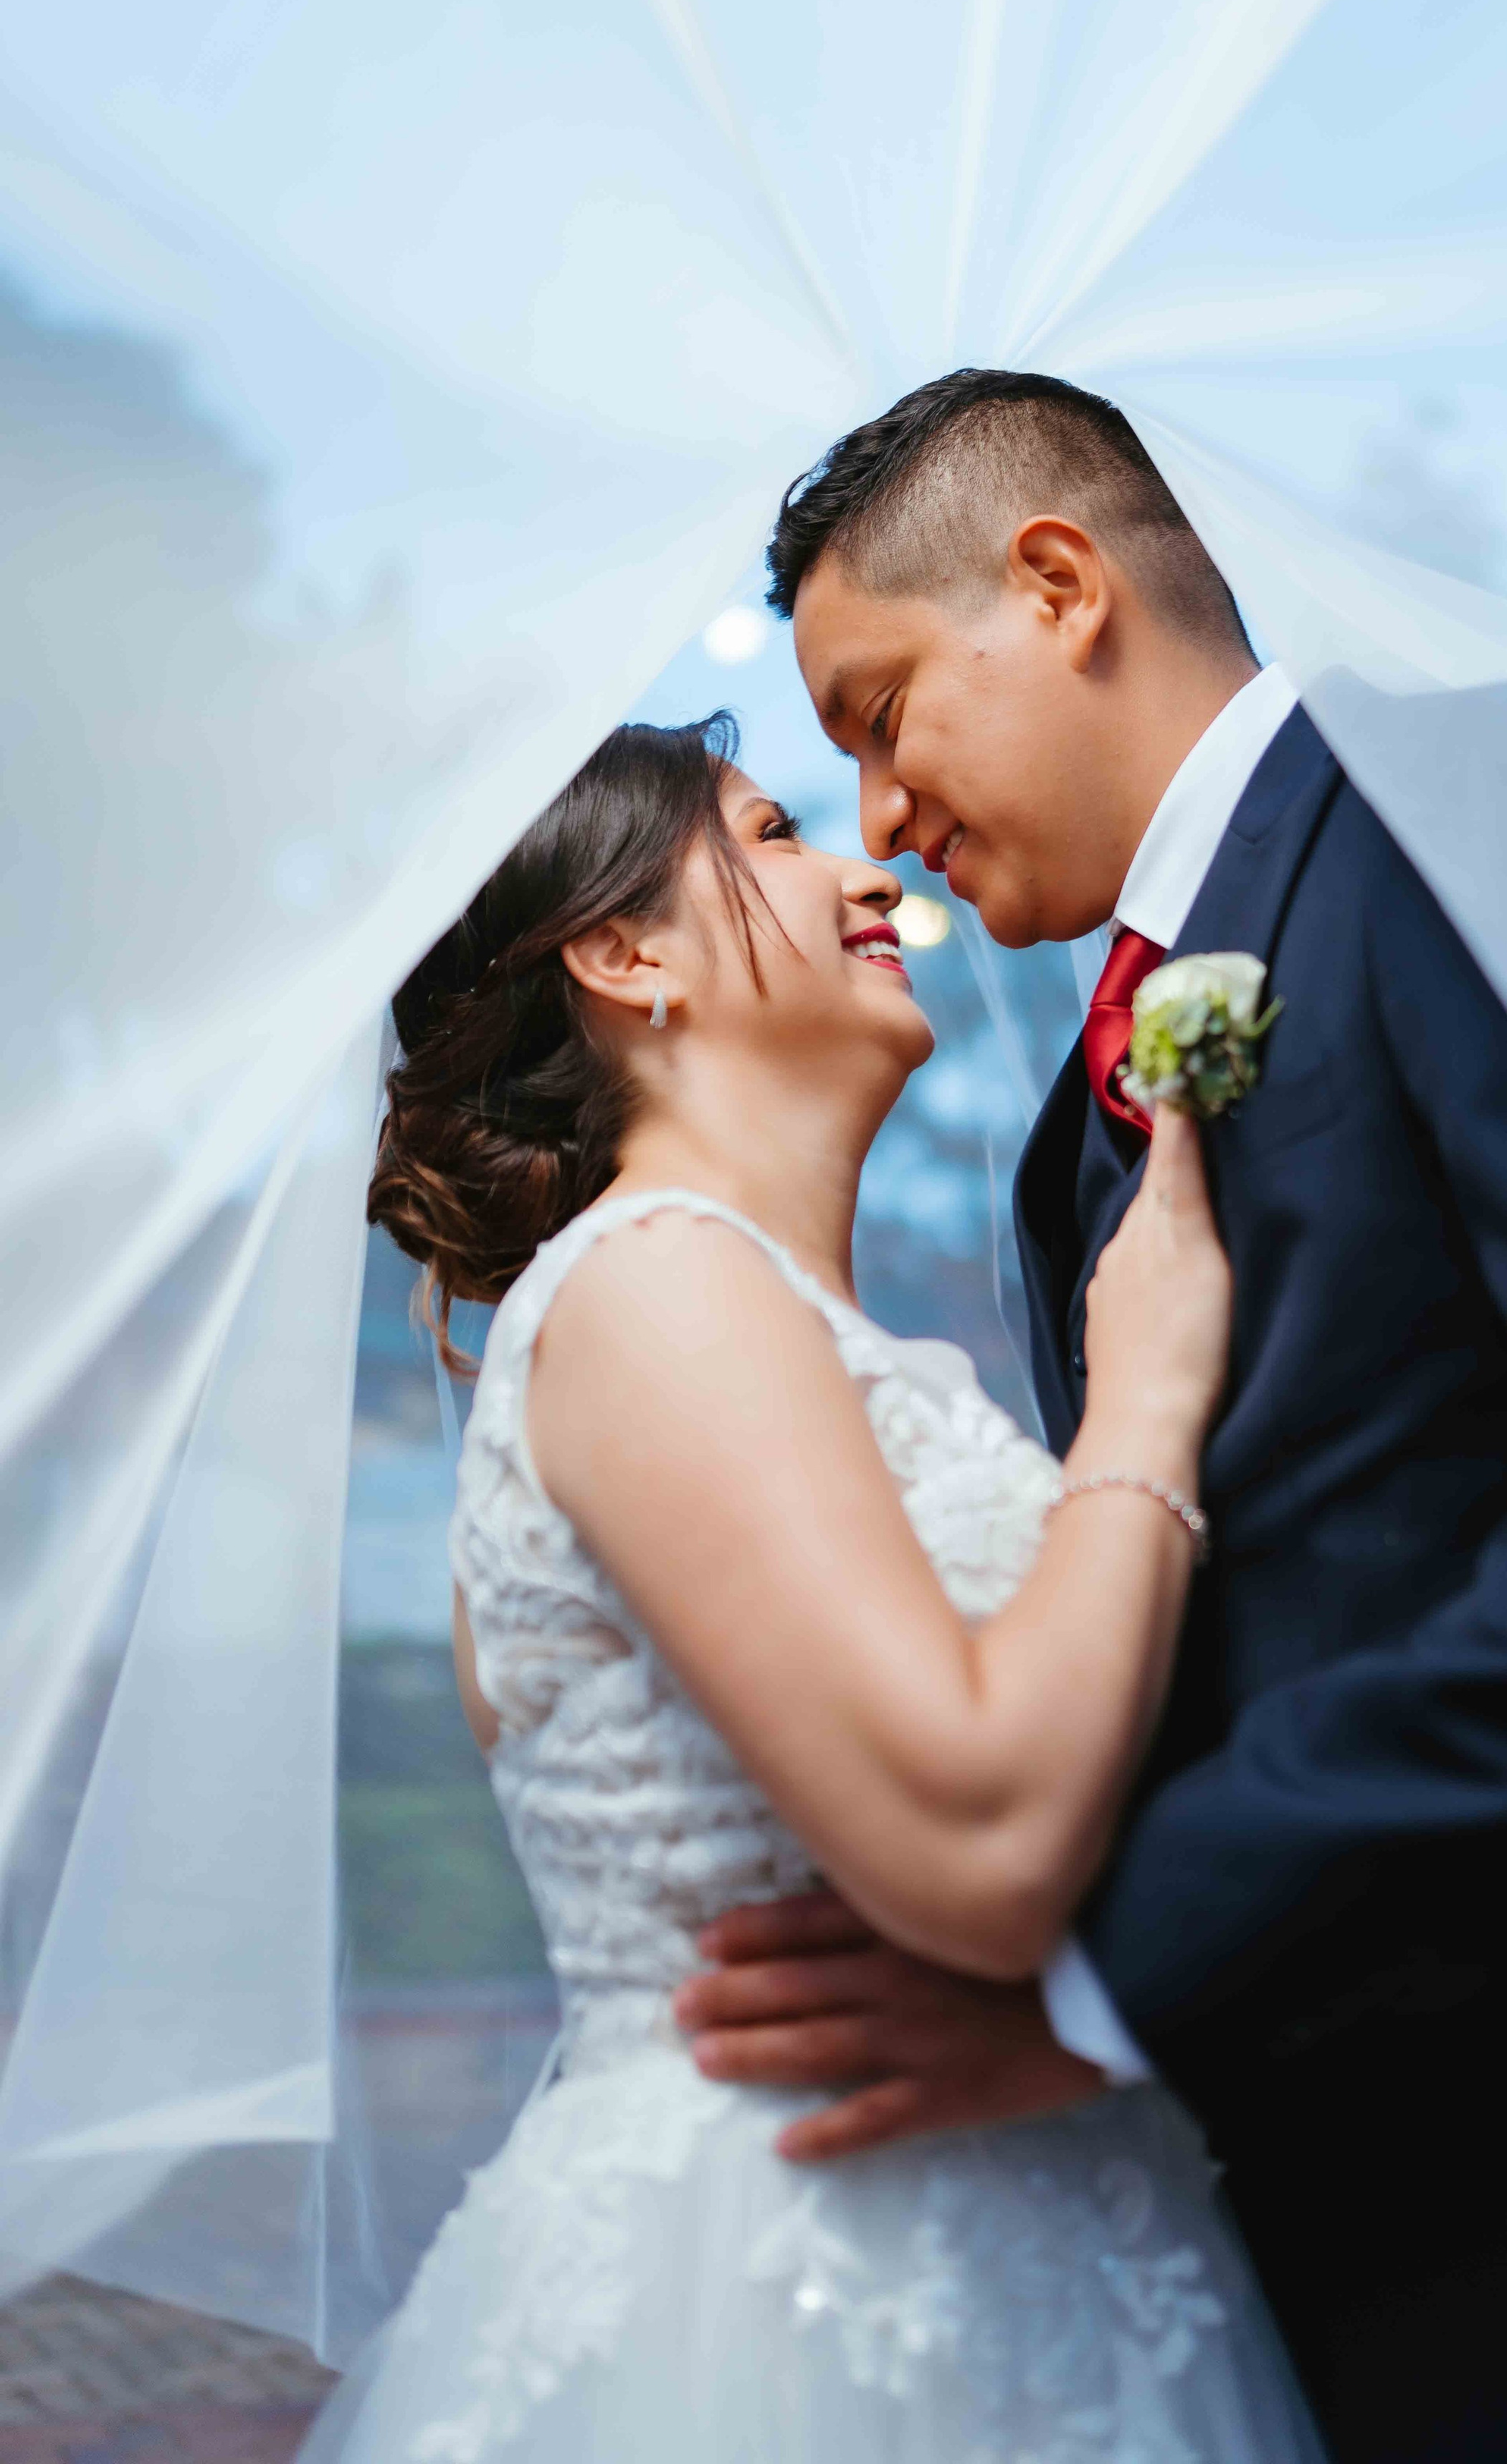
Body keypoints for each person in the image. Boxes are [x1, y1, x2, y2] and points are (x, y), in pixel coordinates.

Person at [679, 368, 1507, 2464]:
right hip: (1304, 2239)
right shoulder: (1064, 1138)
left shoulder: (1489, 802)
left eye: (876, 715)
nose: (878, 819)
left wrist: (1117, 1969)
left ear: (1057, 586)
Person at [300, 712, 1325, 2462]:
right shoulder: (646, 1293)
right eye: (774, 832)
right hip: (788, 2309)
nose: (869, 867)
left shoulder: (787, 1332)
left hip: (1015, 2245)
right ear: (625, 957)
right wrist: (1145, 1402)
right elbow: (984, 1843)